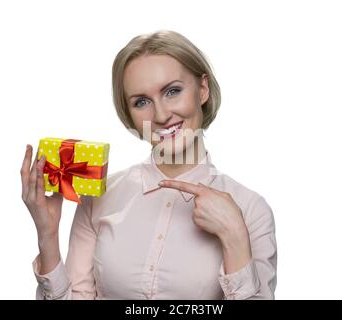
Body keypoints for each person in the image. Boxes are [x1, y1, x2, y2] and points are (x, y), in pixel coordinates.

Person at [20, 30, 277, 300]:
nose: (162, 115)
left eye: (173, 91)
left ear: (203, 90)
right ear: (129, 115)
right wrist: (47, 236)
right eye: (141, 102)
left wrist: (234, 235)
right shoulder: (100, 197)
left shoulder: (251, 210)